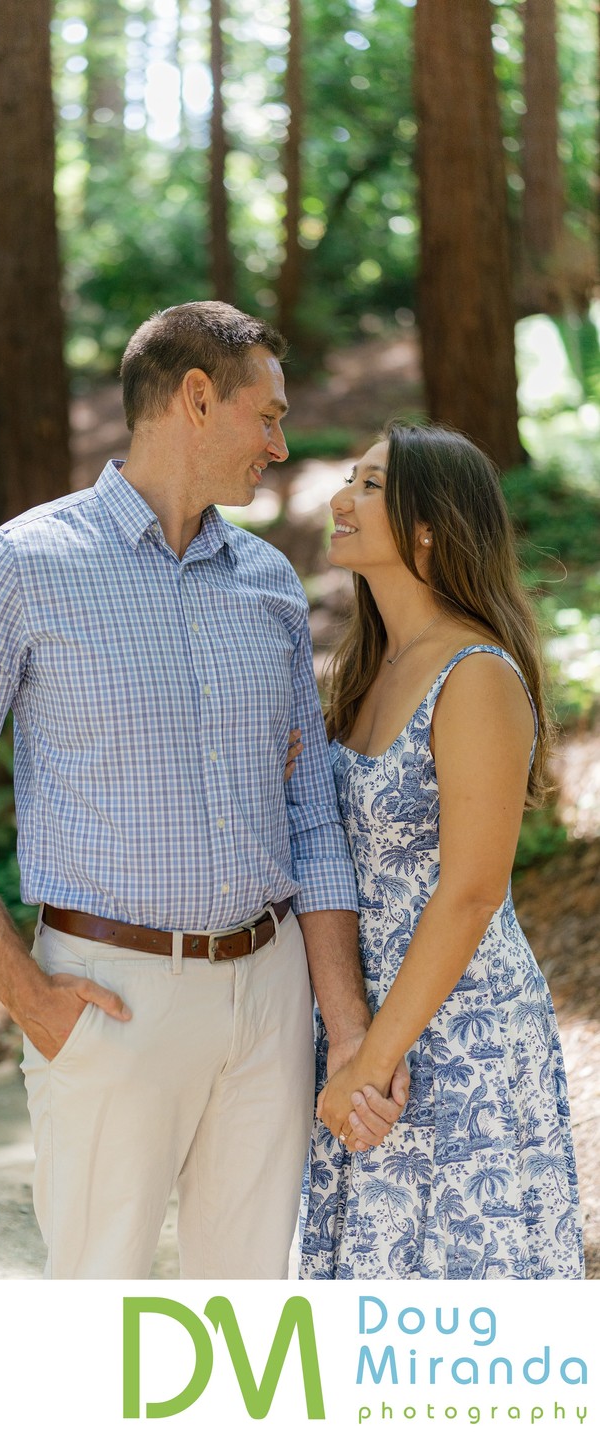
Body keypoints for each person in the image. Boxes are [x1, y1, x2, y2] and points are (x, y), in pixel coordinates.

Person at [0, 301, 405, 1280]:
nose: (280, 446)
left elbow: (309, 817)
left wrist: (343, 1028)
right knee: (101, 1297)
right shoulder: (23, 567)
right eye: (267, 416)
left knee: (244, 1307)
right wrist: (27, 996)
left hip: (270, 991)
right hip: (111, 998)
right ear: (196, 398)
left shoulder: (268, 582)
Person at [298, 421, 584, 1280]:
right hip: (364, 1030)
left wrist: (371, 1063)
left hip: (460, 1037)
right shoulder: (368, 668)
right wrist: (352, 1043)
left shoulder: (475, 673)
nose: (340, 498)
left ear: (428, 526)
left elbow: (470, 891)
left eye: (370, 485)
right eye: (347, 478)